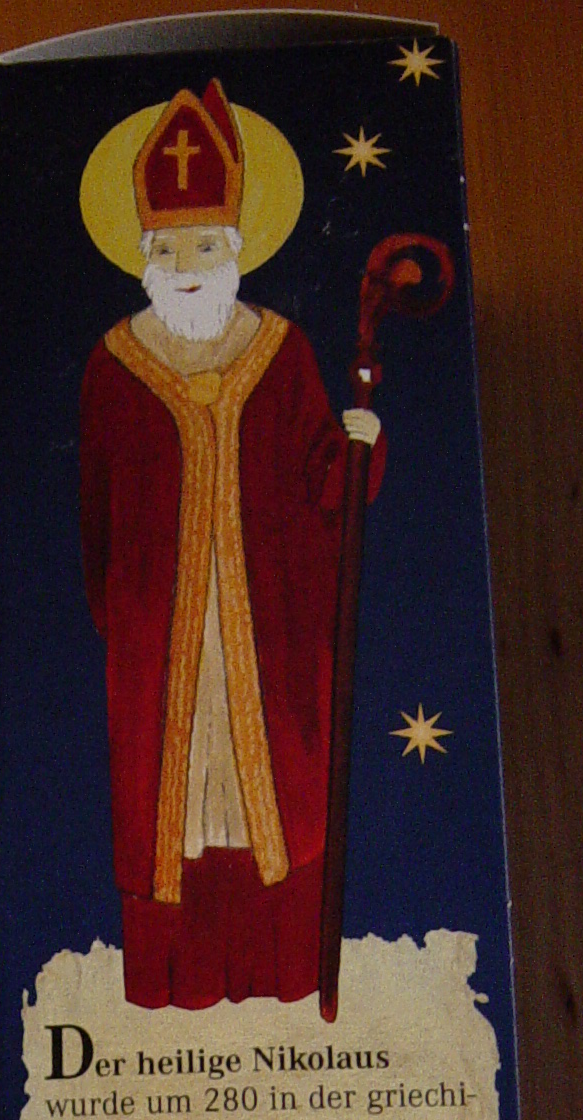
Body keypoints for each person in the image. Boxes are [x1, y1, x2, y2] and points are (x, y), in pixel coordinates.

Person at [80, 82, 384, 1008]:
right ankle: (175, 987)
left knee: (273, 797)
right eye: (168, 249)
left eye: (204, 246)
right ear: (143, 256)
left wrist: (358, 449)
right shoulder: (114, 365)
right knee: (167, 811)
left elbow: (322, 488)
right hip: (162, 646)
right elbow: (97, 519)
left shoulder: (280, 352)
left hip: (270, 635)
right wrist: (129, 620)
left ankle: (282, 976)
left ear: (237, 250)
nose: (186, 265)